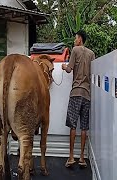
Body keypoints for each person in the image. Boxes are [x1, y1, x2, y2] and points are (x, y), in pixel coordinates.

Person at [62, 30, 95, 168]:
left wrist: (64, 67)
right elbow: (93, 74)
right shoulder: (92, 54)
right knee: (84, 127)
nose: (75, 40)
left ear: (80, 39)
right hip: (87, 94)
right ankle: (82, 158)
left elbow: (69, 69)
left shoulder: (75, 50)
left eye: (76, 38)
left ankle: (71, 157)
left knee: (73, 125)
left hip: (76, 92)